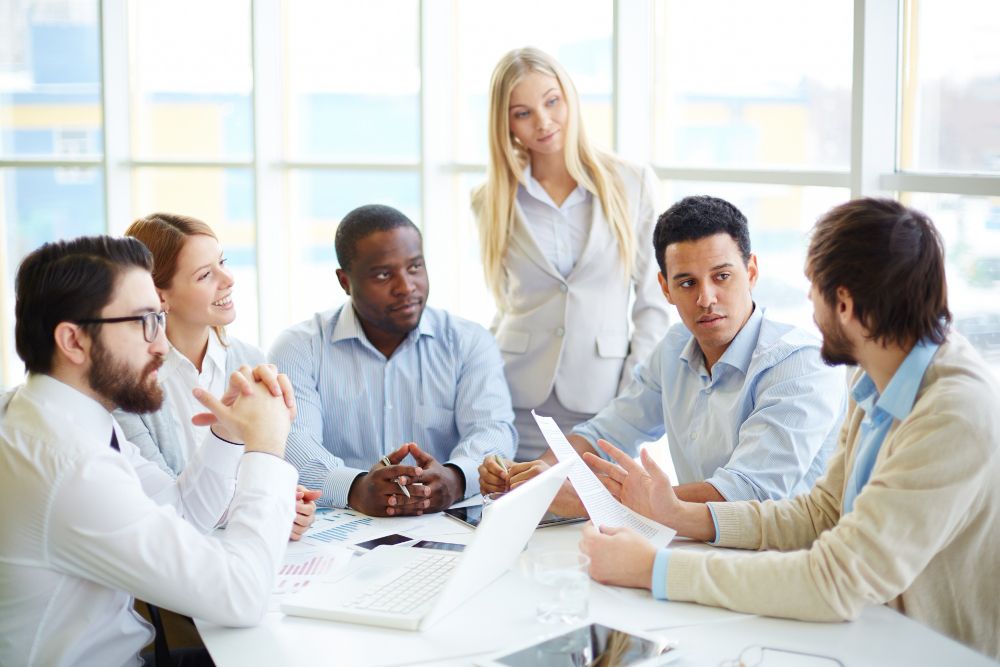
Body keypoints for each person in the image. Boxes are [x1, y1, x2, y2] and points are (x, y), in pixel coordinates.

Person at [581, 198, 1000, 660]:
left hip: (931, 651)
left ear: (844, 302)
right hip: (862, 632)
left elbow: (834, 579)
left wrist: (655, 570)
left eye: (813, 288)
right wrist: (679, 514)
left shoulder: (953, 411)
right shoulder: (878, 371)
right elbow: (823, 514)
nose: (807, 303)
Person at [0, 235, 299, 666]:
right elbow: (240, 595)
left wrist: (229, 436)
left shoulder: (59, 417)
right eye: (143, 322)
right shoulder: (70, 465)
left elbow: (179, 514)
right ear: (73, 341)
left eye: (158, 318)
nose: (160, 344)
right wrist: (266, 448)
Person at [482, 195, 845, 513]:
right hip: (700, 546)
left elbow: (747, 494)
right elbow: (605, 434)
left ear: (751, 272)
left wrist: (586, 499)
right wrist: (535, 475)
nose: (705, 299)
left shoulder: (801, 363)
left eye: (722, 277)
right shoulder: (675, 348)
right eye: (687, 283)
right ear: (665, 289)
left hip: (786, 561)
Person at [472, 47, 670, 463]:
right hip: (517, 401)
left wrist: (631, 399)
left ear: (569, 97)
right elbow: (506, 305)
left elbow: (652, 304)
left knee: (595, 520)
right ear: (506, 124)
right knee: (519, 515)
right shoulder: (492, 198)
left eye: (551, 101)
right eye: (523, 113)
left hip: (602, 402)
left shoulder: (631, 183)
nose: (543, 122)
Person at [270, 204, 517, 517]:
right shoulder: (299, 348)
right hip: (335, 528)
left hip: (446, 525)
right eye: (384, 274)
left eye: (414, 267)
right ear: (345, 281)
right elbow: (291, 444)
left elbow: (494, 431)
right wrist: (355, 488)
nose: (406, 287)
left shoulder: (469, 341)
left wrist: (455, 478)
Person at [116, 213, 319, 541]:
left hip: (249, 549)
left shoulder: (250, 361)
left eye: (222, 262)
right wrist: (266, 503)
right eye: (205, 274)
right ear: (159, 295)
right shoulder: (127, 383)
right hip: (178, 559)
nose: (228, 279)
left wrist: (291, 503)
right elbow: (167, 502)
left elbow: (270, 466)